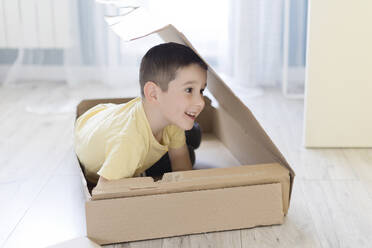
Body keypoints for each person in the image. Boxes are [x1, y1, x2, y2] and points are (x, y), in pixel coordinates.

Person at [74, 42, 208, 187]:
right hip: (92, 128)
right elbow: (104, 191)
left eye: (201, 90)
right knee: (191, 147)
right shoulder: (129, 142)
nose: (200, 102)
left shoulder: (171, 117)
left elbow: (182, 168)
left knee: (194, 134)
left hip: (109, 117)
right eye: (189, 90)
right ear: (153, 94)